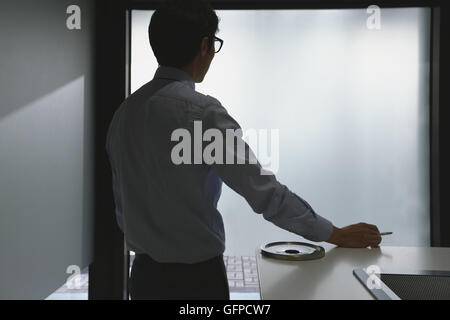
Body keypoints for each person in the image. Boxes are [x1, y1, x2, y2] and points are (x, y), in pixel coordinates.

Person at [105, 0, 382, 300]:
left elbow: (122, 206)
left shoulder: (124, 115)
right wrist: (334, 233)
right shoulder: (201, 114)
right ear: (204, 45)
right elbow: (266, 194)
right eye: (214, 45)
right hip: (196, 282)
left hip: (143, 279)